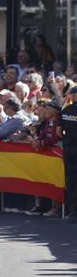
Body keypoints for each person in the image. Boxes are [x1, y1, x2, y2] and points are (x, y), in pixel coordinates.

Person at [60, 86, 77, 223]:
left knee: (71, 181)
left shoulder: (65, 110)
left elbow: (58, 132)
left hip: (69, 149)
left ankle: (73, 212)